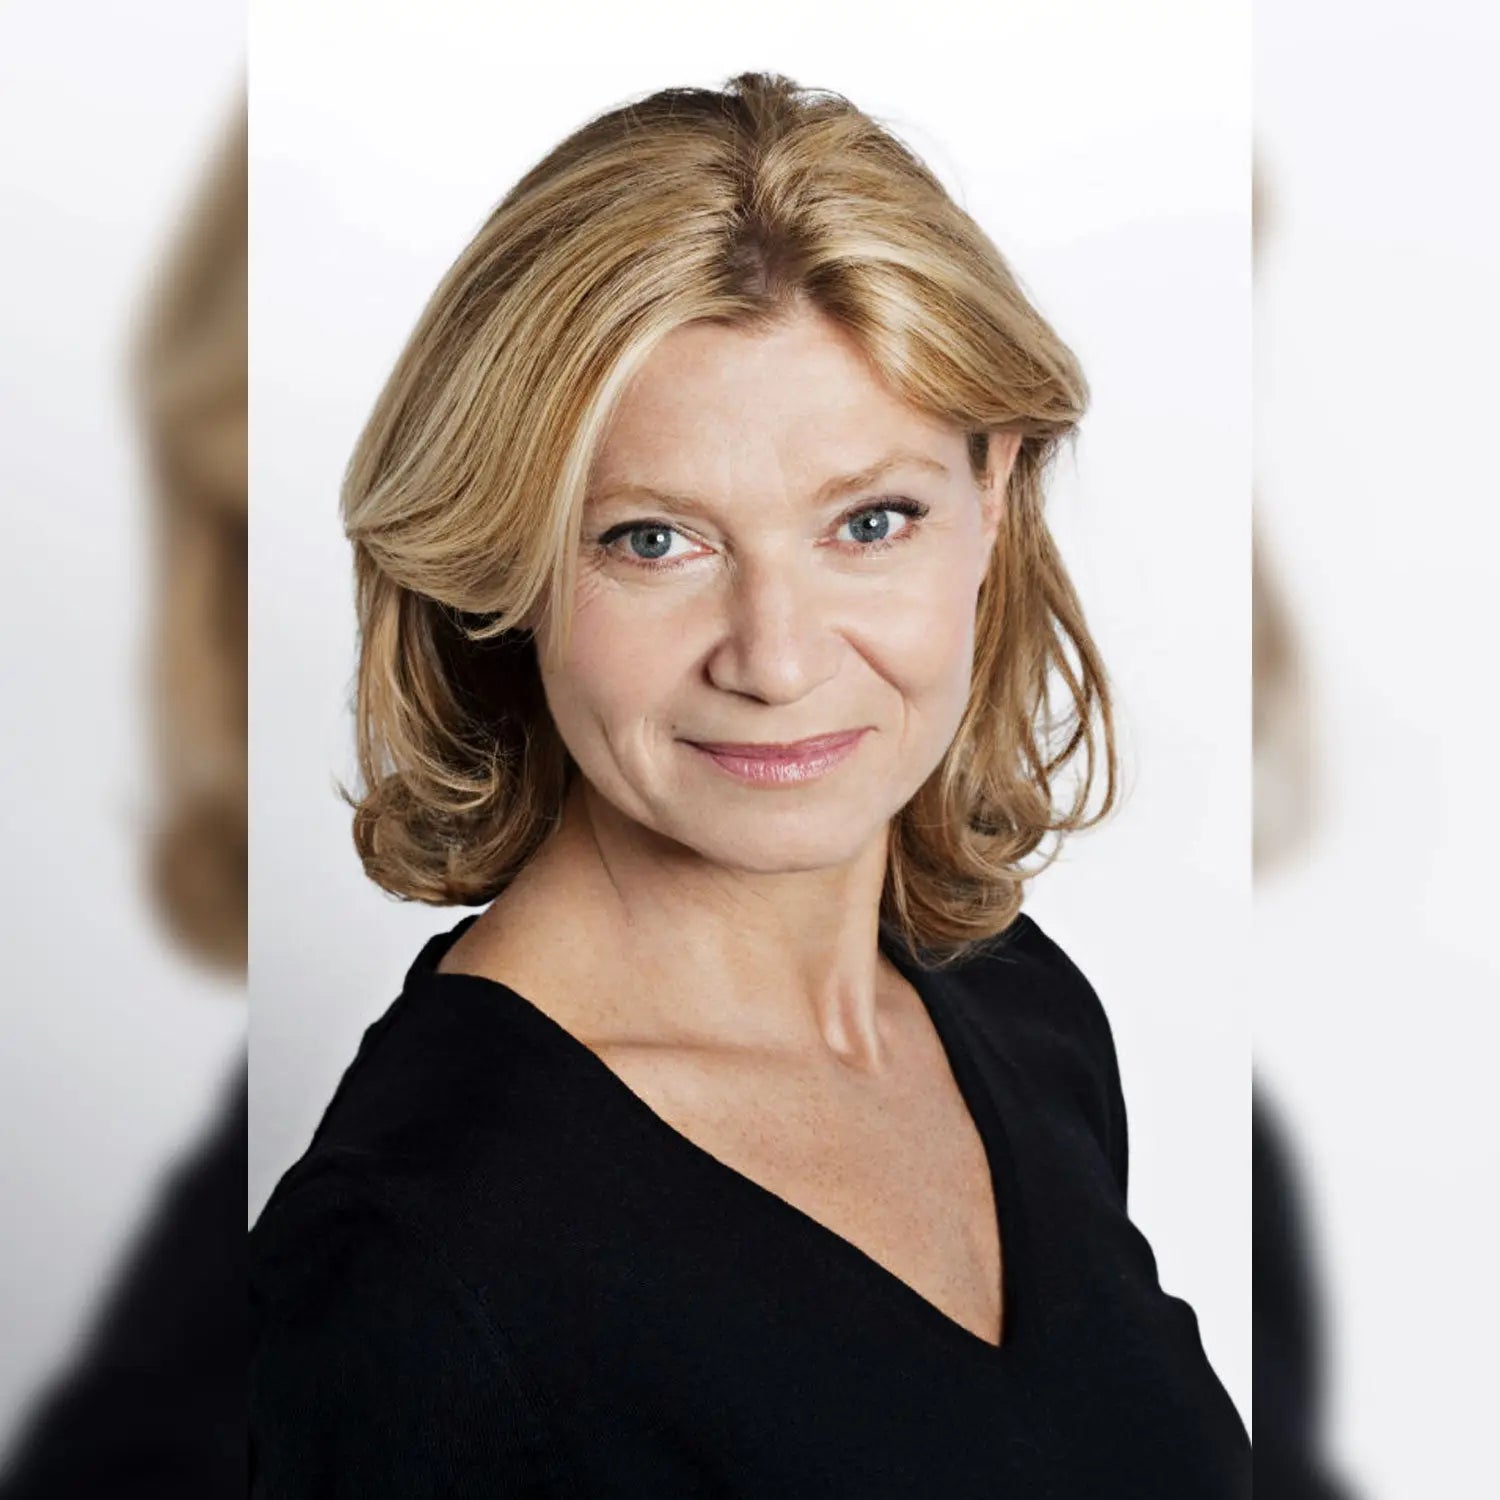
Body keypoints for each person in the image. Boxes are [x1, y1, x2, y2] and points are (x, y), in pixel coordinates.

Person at [250, 72, 1250, 1496]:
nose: (776, 660)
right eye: (653, 540)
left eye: (872, 521)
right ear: (501, 571)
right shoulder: (408, 1262)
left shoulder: (1019, 1011)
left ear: (994, 501)